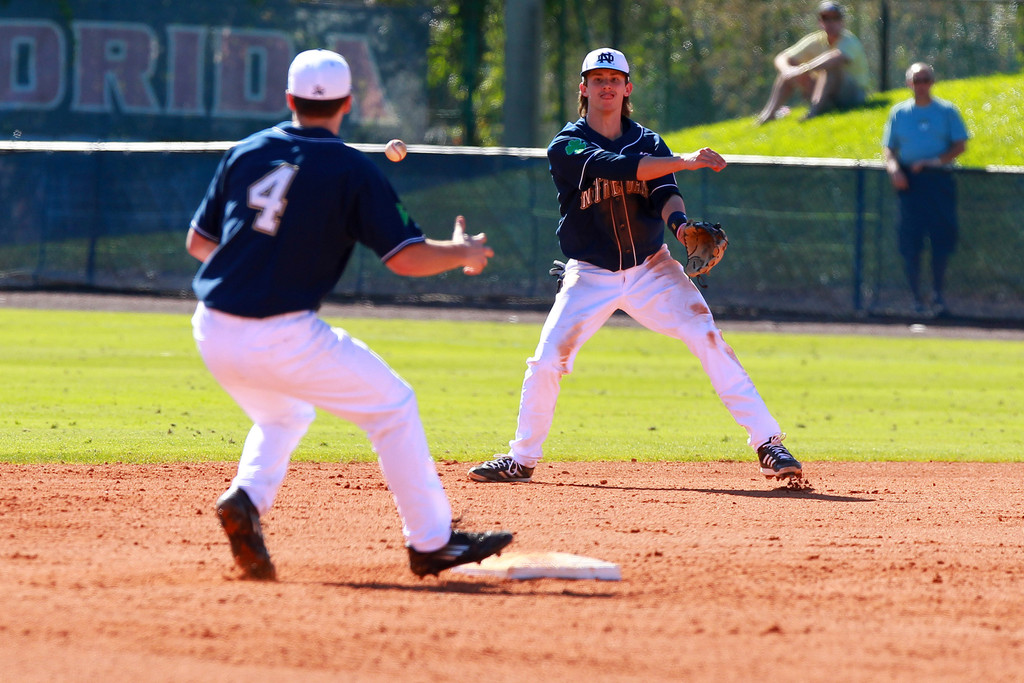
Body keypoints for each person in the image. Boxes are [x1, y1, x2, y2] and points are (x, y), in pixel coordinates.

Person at [186, 48, 512, 580]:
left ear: (289, 99)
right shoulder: (351, 168)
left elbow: (200, 244)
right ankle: (432, 542)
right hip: (281, 332)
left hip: (213, 326)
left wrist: (260, 255)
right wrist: (463, 252)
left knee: (284, 414)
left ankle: (246, 499)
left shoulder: (246, 151)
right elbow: (406, 258)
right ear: (348, 104)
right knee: (394, 407)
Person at [467, 48, 802, 485]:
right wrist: (685, 159)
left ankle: (768, 443)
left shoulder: (650, 141)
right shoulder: (567, 144)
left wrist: (681, 227)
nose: (606, 86)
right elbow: (618, 167)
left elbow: (664, 193)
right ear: (583, 88)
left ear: (627, 88)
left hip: (652, 268)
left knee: (708, 337)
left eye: (614, 79)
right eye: (597, 79)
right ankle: (522, 458)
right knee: (547, 361)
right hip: (590, 274)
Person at [882, 62, 969, 316]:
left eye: (925, 80)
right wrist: (894, 169)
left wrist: (933, 162)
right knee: (911, 241)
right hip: (910, 184)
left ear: (932, 82)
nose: (921, 85)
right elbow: (889, 148)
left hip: (938, 182)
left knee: (941, 239)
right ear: (909, 83)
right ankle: (915, 298)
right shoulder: (899, 113)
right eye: (916, 80)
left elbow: (960, 145)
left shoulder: (946, 111)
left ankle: (938, 296)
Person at [756, 1, 870, 124]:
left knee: (831, 68)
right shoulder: (816, 39)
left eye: (835, 18)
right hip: (829, 95)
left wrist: (804, 69)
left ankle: (813, 113)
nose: (830, 23)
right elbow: (782, 57)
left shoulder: (849, 40)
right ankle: (768, 115)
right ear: (820, 22)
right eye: (826, 18)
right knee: (789, 70)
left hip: (852, 96)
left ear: (842, 21)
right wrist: (787, 71)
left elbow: (835, 57)